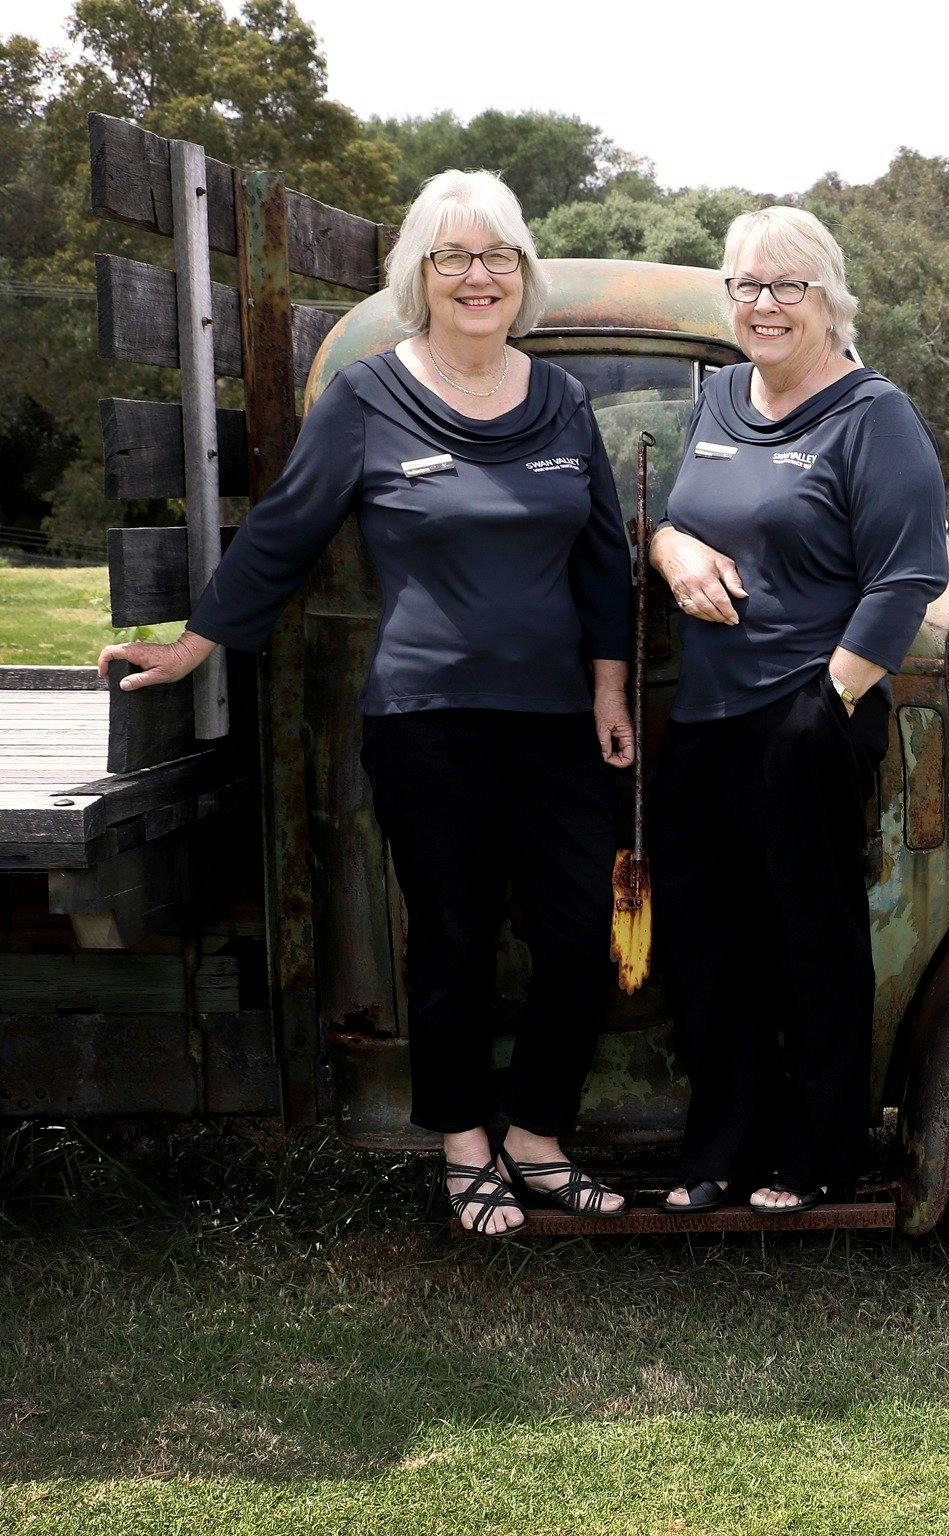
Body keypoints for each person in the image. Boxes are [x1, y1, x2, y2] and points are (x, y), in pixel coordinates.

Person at [98, 170, 634, 1236]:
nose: (475, 278)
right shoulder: (368, 395)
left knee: (581, 937)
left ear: (518, 274)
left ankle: (535, 1131)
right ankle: (464, 1143)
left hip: (557, 724)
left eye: (494, 258)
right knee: (453, 939)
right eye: (451, 258)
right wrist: (195, 645)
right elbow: (288, 529)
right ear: (421, 276)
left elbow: (600, 552)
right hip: (426, 721)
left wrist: (610, 686)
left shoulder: (560, 398)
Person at [649, 206, 949, 1217]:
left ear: (828, 299)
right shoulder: (718, 398)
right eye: (744, 285)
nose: (763, 305)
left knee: (805, 940)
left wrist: (822, 704)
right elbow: (677, 519)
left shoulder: (874, 416)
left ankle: (820, 1155)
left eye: (787, 286)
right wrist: (671, 551)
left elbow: (905, 579)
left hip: (808, 714)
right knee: (704, 942)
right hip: (701, 717)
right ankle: (718, 1153)